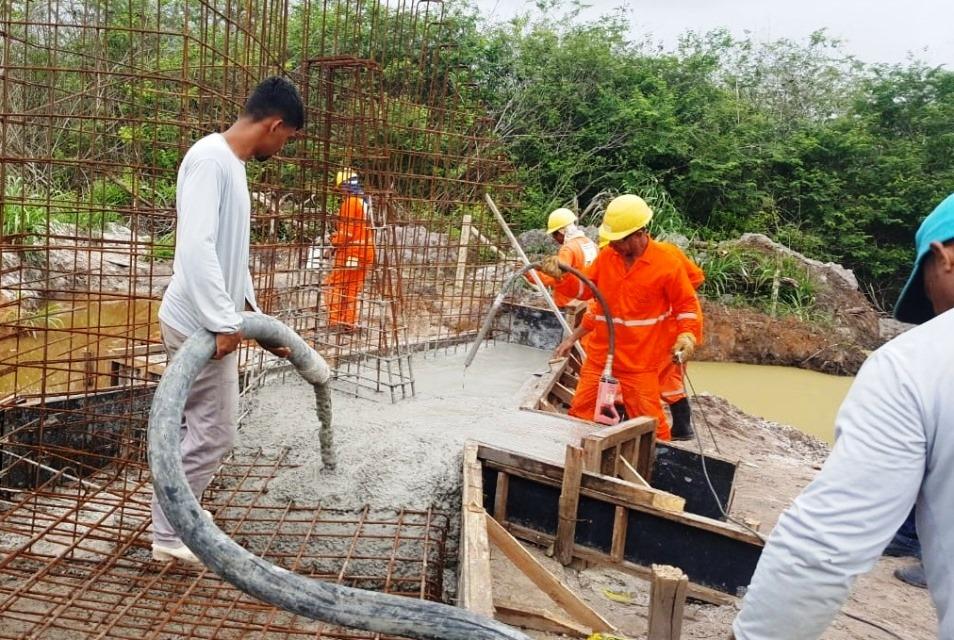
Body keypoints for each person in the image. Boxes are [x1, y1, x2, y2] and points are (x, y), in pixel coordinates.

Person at [732, 193, 954, 639]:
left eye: (927, 288)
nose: (934, 310)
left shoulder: (917, 363)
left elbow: (823, 547)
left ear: (943, 255)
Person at [153, 76, 304, 564]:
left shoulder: (231, 165)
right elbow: (195, 248)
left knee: (198, 428)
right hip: (196, 323)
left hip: (211, 321)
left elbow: (227, 256)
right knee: (215, 433)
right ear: (275, 125)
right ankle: (171, 534)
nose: (283, 148)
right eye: (288, 139)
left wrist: (254, 321)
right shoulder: (209, 161)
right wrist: (223, 322)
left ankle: (180, 512)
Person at [551, 195, 702, 441]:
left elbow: (686, 303)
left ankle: (655, 465)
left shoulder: (666, 264)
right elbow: (586, 290)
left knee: (650, 424)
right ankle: (576, 458)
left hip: (639, 361)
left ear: (638, 233)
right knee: (581, 410)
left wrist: (686, 333)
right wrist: (562, 277)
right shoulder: (608, 258)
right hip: (601, 355)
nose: (612, 245)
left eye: (618, 240)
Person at [597, 231, 706, 440]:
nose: (613, 252)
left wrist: (664, 301)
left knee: (655, 378)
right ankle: (679, 428)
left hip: (675, 325)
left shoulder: (666, 256)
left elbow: (694, 282)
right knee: (661, 378)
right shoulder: (623, 260)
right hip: (666, 323)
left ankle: (673, 428)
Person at [323, 168, 375, 331]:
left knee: (334, 284)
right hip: (366, 250)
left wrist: (333, 245)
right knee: (351, 288)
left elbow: (347, 233)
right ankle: (348, 323)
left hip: (352, 252)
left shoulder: (351, 202)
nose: (341, 193)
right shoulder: (364, 201)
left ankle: (335, 321)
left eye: (341, 189)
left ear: (345, 186)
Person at [526, 208, 598, 308]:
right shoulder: (590, 243)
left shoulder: (568, 249)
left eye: (554, 235)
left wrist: (530, 274)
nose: (554, 239)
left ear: (560, 232)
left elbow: (557, 279)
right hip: (587, 302)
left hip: (569, 303)